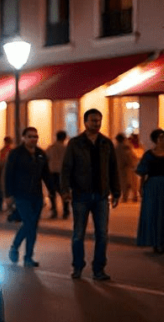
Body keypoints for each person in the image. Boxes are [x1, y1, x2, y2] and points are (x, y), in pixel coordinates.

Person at [60, 108, 120, 281]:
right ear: (85, 122)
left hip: (101, 196)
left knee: (102, 234)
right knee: (78, 234)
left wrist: (116, 192)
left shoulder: (106, 143)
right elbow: (66, 168)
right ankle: (78, 266)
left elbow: (113, 169)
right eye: (93, 120)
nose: (96, 124)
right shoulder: (75, 143)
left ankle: (99, 269)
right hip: (81, 195)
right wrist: (65, 190)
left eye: (99, 120)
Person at [4, 127, 52, 267]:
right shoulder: (16, 153)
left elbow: (46, 175)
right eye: (30, 136)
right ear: (24, 137)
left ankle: (28, 257)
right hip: (21, 195)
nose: (33, 139)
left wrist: (53, 191)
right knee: (29, 223)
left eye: (36, 136)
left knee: (33, 226)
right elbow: (8, 175)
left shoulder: (40, 154)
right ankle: (15, 247)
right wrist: (8, 195)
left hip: (36, 195)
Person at [135, 128, 164, 254]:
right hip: (152, 187)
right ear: (155, 140)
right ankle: (155, 243)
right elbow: (142, 172)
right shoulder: (148, 155)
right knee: (153, 214)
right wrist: (141, 188)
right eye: (161, 138)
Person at [46, 130, 69, 219]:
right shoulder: (66, 148)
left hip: (52, 172)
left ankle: (54, 211)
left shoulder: (51, 147)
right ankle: (66, 212)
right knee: (64, 192)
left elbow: (46, 158)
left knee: (52, 193)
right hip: (63, 173)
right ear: (65, 138)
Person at [115, 132, 138, 203]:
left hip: (123, 168)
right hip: (127, 167)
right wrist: (133, 164)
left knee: (125, 183)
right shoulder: (125, 146)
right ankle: (133, 196)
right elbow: (129, 156)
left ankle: (126, 197)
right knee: (131, 182)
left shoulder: (118, 147)